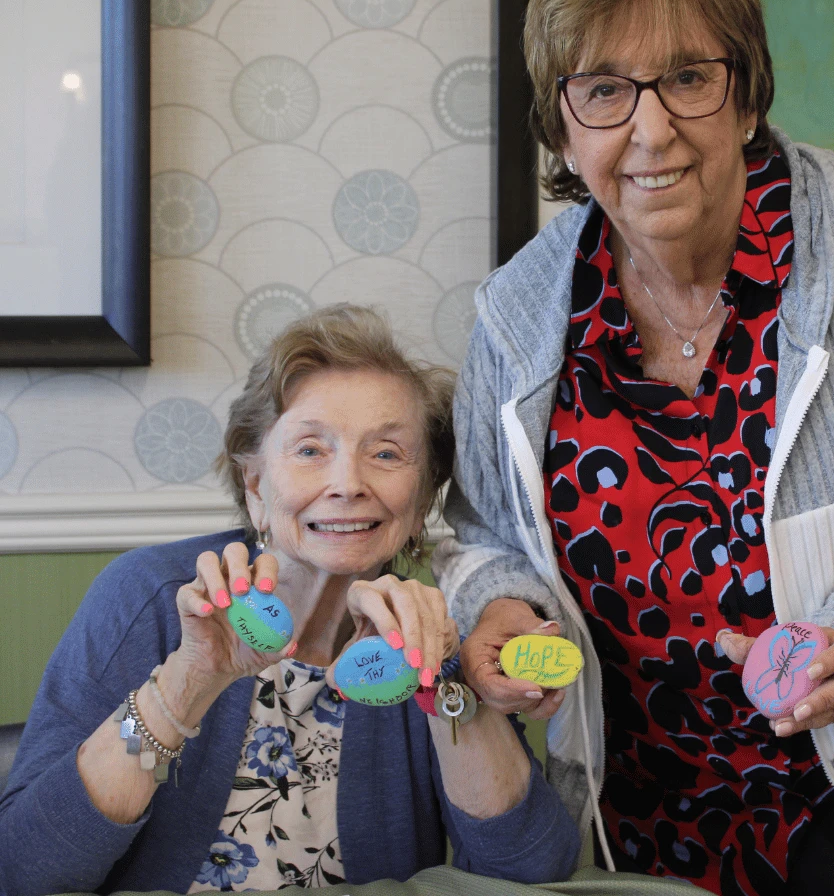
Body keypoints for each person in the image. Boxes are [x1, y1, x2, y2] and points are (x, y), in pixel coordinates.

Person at [432, 0, 834, 896]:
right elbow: (480, 537)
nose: (651, 127)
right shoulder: (518, 316)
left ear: (746, 96)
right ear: (561, 124)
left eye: (687, 77)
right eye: (603, 91)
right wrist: (499, 605)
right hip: (634, 831)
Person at [0, 304, 579, 895]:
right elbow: (24, 871)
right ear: (255, 484)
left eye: (386, 454)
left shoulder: (431, 625)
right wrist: (186, 682)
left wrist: (438, 684)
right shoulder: (149, 598)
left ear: (424, 495)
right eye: (309, 450)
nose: (349, 483)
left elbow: (529, 872)